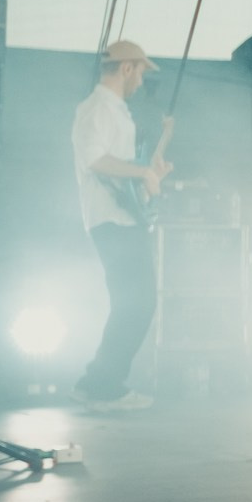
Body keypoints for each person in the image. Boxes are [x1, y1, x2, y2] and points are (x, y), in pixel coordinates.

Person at [70, 39, 166, 408]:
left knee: (134, 303)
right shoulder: (97, 108)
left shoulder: (115, 111)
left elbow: (119, 170)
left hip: (122, 218)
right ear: (127, 68)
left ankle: (96, 382)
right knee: (137, 303)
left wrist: (148, 175)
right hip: (111, 221)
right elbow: (94, 160)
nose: (141, 81)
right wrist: (142, 173)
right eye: (140, 72)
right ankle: (103, 386)